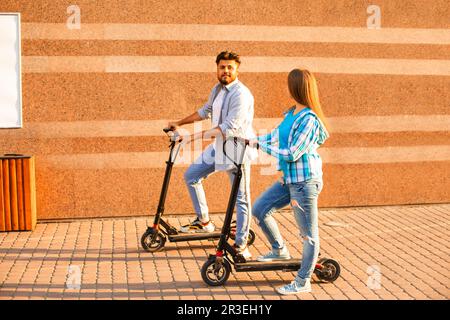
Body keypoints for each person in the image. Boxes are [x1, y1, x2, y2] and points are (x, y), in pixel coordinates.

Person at [168, 51, 257, 258]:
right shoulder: (217, 89)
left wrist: (191, 137)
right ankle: (204, 222)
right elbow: (204, 111)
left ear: (237, 70)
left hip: (237, 149)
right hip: (219, 146)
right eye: (222, 67)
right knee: (192, 175)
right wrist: (179, 123)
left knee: (241, 198)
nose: (225, 71)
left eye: (230, 67)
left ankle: (241, 245)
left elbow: (228, 128)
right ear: (217, 68)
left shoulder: (241, 94)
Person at [250, 68, 329, 295]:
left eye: (289, 84)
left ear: (296, 87)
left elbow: (292, 153)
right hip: (290, 180)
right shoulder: (292, 113)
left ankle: (303, 281)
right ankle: (279, 250)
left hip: (305, 183)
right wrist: (251, 139)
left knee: (308, 236)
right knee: (260, 209)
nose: (287, 87)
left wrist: (260, 146)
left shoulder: (309, 120)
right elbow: (274, 136)